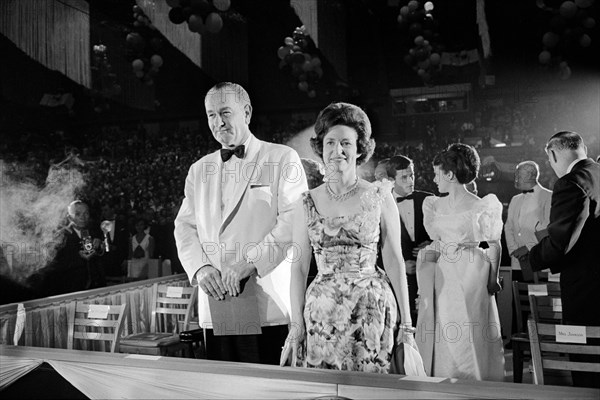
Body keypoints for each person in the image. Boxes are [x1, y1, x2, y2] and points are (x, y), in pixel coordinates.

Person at [175, 82, 307, 365]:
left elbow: (293, 221)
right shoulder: (198, 169)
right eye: (211, 114)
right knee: (224, 390)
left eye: (225, 112)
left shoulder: (282, 157)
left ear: (246, 112)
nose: (218, 122)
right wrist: (201, 268)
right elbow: (184, 227)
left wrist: (250, 262)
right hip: (217, 301)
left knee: (270, 390)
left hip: (266, 301)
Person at [280, 102, 414, 373]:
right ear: (320, 147)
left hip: (372, 312)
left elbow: (394, 260)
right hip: (321, 314)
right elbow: (299, 267)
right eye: (330, 142)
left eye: (346, 143)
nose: (337, 151)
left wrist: (408, 325)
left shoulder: (379, 195)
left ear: (360, 148)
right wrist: (296, 324)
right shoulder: (305, 202)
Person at [415, 143, 505, 381]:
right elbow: (438, 240)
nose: (434, 180)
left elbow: (494, 244)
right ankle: (443, 380)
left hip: (470, 271)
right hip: (444, 270)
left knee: (468, 325)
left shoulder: (481, 205)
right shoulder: (434, 205)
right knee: (443, 325)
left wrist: (493, 279)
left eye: (437, 174)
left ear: (450, 175)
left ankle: (471, 380)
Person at [529, 131, 600, 388]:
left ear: (553, 153)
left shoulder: (571, 182)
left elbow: (561, 242)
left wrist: (531, 257)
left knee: (585, 365)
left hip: (586, 291)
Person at [383, 155, 433, 326]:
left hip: (427, 277)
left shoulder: (429, 200)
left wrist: (431, 245)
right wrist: (402, 266)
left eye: (412, 175)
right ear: (391, 180)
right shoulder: (381, 203)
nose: (411, 180)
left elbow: (445, 235)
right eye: (404, 177)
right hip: (396, 281)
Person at [28, 200, 105, 296]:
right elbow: (52, 264)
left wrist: (98, 247)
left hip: (88, 289)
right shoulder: (60, 235)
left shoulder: (87, 233)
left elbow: (89, 257)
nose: (83, 217)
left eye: (86, 213)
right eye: (78, 214)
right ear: (69, 217)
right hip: (67, 290)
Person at [504, 161, 552, 281]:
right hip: (517, 262)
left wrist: (527, 248)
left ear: (530, 176)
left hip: (539, 260)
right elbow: (508, 226)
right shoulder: (515, 199)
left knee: (537, 298)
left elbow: (548, 228)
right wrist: (514, 249)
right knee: (518, 297)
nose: (515, 178)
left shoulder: (548, 196)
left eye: (518, 175)